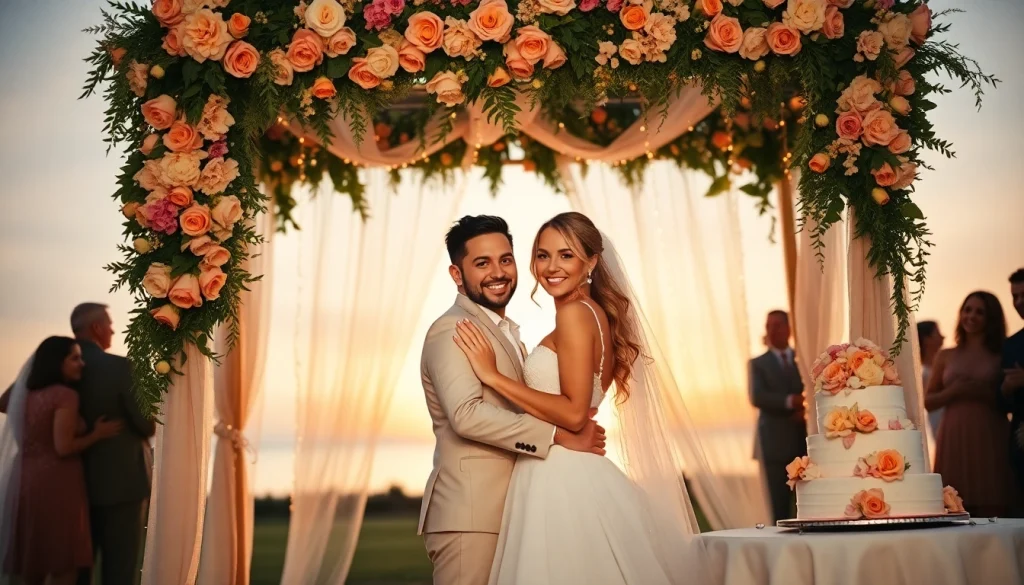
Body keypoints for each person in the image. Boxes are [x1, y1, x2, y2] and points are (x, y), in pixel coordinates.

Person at [453, 212, 708, 585]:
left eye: (566, 255)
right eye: (543, 255)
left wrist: (492, 376)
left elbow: (574, 414)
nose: (551, 267)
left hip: (559, 474)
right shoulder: (594, 314)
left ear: (591, 262)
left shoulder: (574, 314)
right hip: (571, 468)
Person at [418, 216, 607, 585]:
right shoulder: (453, 329)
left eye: (505, 259)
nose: (498, 272)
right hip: (471, 517)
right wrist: (559, 435)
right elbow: (466, 415)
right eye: (482, 263)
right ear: (457, 274)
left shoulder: (508, 333)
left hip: (516, 509)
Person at [0, 337, 122, 585]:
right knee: (63, 562)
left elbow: (3, 403)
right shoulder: (65, 396)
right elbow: (63, 447)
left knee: (31, 559)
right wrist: (96, 434)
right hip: (57, 483)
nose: (82, 364)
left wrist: (27, 380)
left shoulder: (27, 393)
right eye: (74, 358)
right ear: (58, 362)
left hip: (24, 477)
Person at [70, 304, 155, 585]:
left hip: (71, 483)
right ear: (96, 328)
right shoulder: (121, 367)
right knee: (120, 570)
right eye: (109, 324)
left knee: (77, 570)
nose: (113, 330)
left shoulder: (56, 367)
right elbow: (147, 424)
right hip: (124, 484)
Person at [925, 291, 1010, 517]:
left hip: (990, 433)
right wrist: (954, 391)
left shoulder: (1002, 354)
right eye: (967, 309)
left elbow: (1010, 399)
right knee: (954, 504)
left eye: (979, 312)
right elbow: (928, 401)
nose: (971, 316)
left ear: (991, 318)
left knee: (994, 500)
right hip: (954, 434)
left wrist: (982, 392)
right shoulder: (946, 356)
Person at [748, 310, 806, 523]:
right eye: (768, 326)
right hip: (772, 448)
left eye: (777, 325)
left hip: (803, 446)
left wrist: (806, 410)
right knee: (778, 510)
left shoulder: (803, 359)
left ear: (789, 329)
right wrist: (793, 401)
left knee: (807, 508)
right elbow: (758, 396)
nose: (772, 331)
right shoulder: (757, 363)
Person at [999, 269, 1024, 516]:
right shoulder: (1012, 344)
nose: (1019, 302)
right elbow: (1001, 403)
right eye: (1015, 296)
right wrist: (1006, 390)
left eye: (1023, 295)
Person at [917, 320, 946, 437]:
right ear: (927, 340)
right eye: (937, 333)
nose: (943, 337)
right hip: (941, 424)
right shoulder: (926, 375)